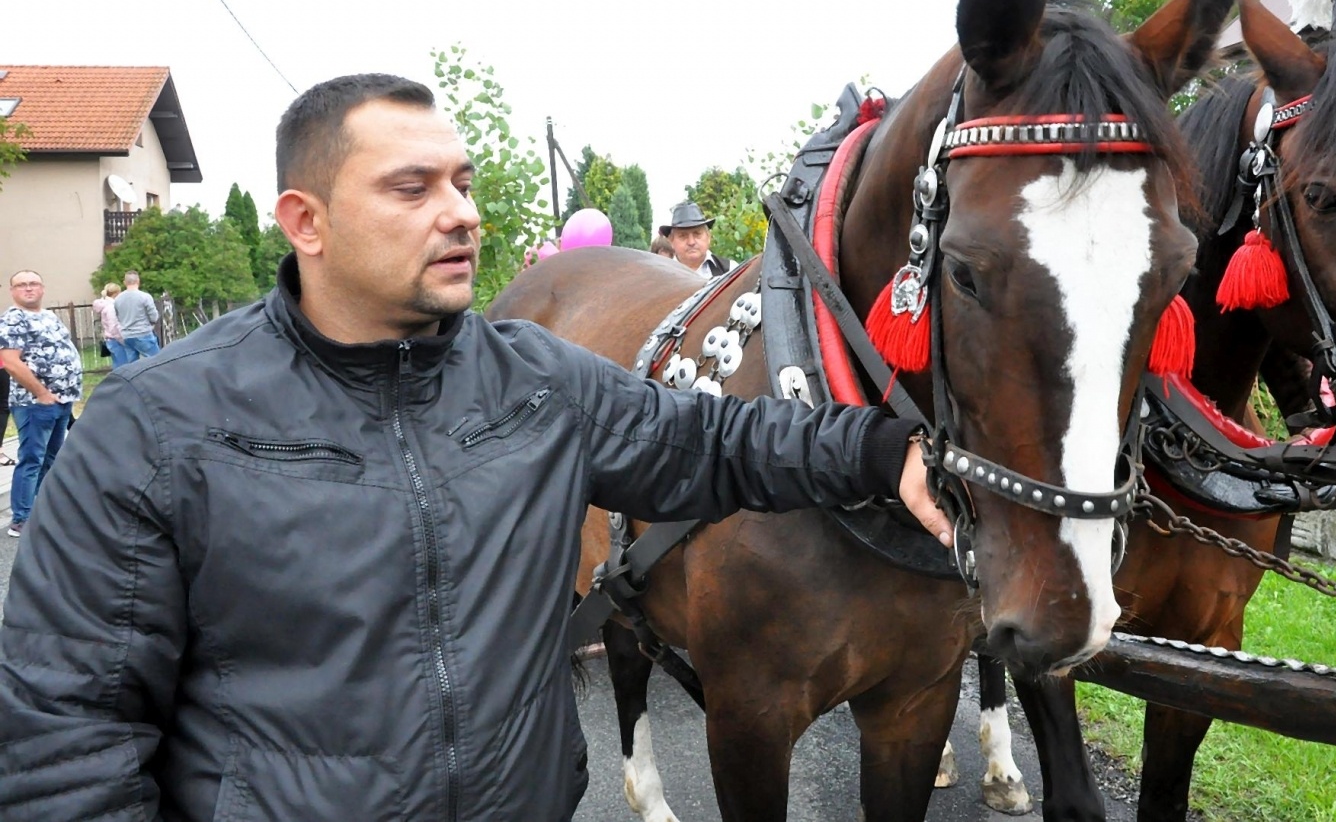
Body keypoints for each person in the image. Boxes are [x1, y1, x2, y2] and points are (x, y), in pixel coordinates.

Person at [0, 73, 949, 822]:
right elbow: (63, 738)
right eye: (411, 187)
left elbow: (719, 439)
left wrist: (882, 452)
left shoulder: (538, 377)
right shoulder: (150, 425)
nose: (459, 211)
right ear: (305, 222)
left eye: (462, 182)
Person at [0, 270, 82, 538]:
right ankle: (21, 520)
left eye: (33, 283)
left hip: (62, 400)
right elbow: (11, 361)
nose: (28, 288)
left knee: (51, 457)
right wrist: (41, 393)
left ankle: (43, 510)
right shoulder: (13, 319)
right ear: (12, 291)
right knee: (32, 459)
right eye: (21, 285)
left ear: (42, 288)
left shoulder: (47, 316)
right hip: (35, 403)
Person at [659, 200, 732, 278]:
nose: (691, 242)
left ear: (708, 237)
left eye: (697, 234)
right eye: (683, 236)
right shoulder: (661, 276)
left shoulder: (730, 270)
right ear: (671, 241)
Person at [113, 269, 162, 360]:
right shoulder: (145, 297)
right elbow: (154, 316)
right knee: (155, 361)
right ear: (138, 281)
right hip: (143, 333)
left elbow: (117, 317)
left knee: (133, 365)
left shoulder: (118, 299)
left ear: (125, 282)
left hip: (127, 336)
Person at [92, 281, 131, 368]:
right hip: (116, 339)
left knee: (117, 364)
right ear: (116, 293)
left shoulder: (105, 305)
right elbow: (114, 326)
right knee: (123, 366)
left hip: (110, 339)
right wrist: (123, 340)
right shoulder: (111, 307)